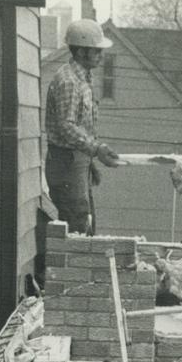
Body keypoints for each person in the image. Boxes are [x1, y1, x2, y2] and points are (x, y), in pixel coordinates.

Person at [45, 19, 122, 234]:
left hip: (77, 161)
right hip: (65, 162)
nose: (100, 55)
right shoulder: (69, 81)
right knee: (76, 225)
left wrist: (89, 161)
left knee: (86, 222)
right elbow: (66, 127)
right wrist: (96, 149)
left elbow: (80, 126)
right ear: (80, 51)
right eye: (96, 50)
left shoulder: (83, 78)